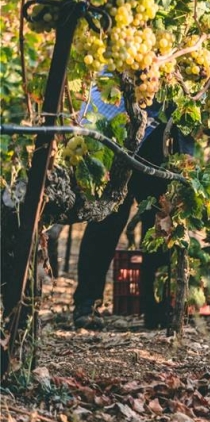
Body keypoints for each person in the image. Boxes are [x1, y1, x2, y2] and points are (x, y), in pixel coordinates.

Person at [73, 87, 189, 329]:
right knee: (106, 219)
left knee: (159, 222)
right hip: (119, 130)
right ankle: (86, 304)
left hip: (160, 138)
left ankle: (156, 310)